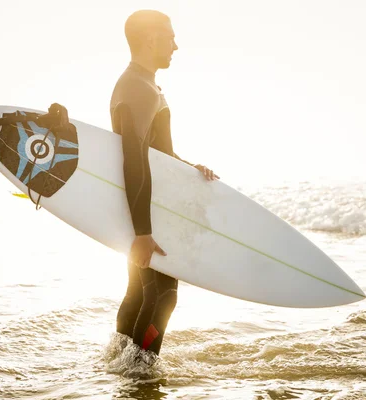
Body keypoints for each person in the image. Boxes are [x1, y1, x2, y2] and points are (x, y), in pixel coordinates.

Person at [110, 10, 218, 358]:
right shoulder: (138, 88)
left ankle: (120, 365)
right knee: (163, 296)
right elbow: (134, 159)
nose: (176, 45)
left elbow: (156, 154)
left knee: (140, 294)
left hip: (145, 208)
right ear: (151, 39)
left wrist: (187, 168)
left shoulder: (142, 83)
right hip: (150, 214)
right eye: (170, 36)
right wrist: (143, 232)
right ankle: (140, 376)